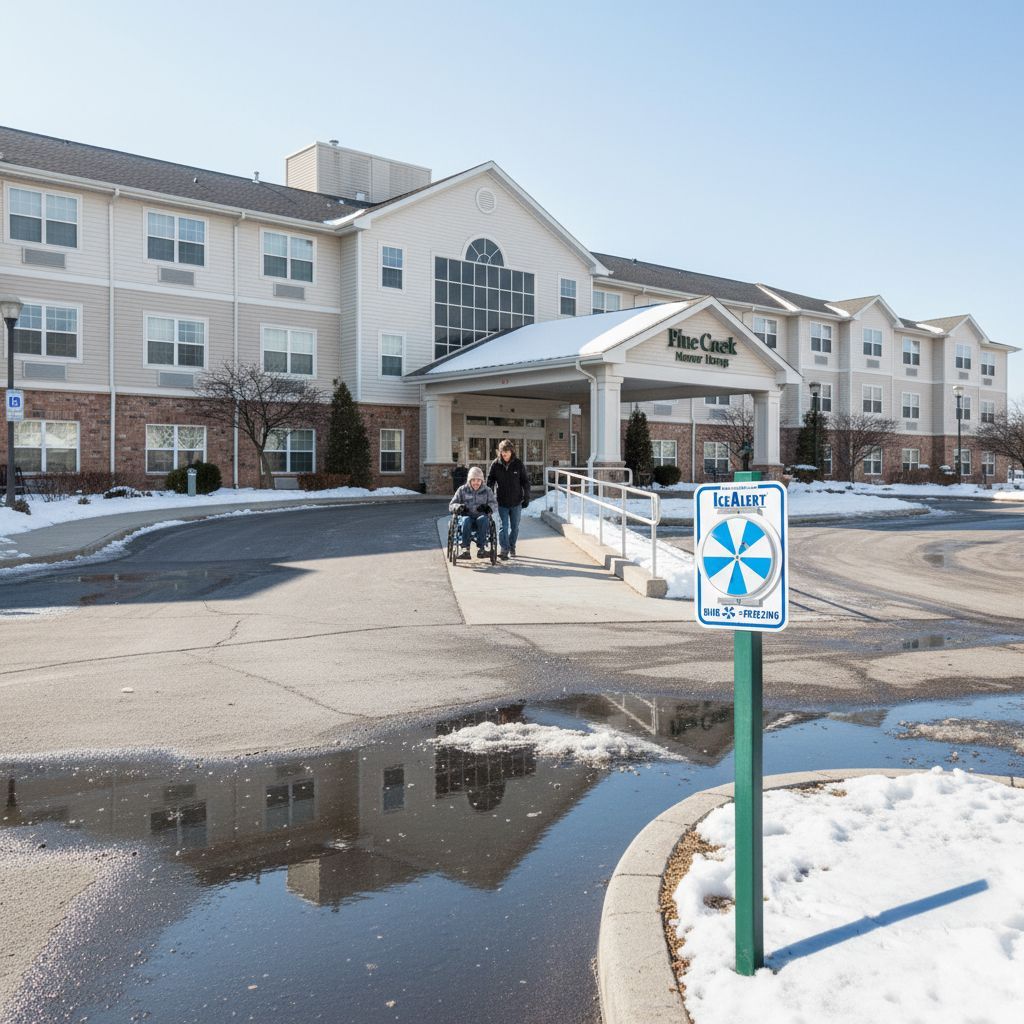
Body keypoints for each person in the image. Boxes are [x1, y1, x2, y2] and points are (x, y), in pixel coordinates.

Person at [487, 439, 531, 560]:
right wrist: (489, 496)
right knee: (503, 527)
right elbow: (490, 480)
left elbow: (525, 482)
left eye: (506, 451)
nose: (504, 453)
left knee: (515, 527)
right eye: (502, 451)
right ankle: (504, 549)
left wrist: (526, 497)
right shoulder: (495, 464)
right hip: (502, 502)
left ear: (511, 451)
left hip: (516, 502)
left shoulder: (518, 464)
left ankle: (512, 546)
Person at [448, 466, 497, 559]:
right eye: (473, 480)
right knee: (466, 520)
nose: (476, 482)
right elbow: (452, 505)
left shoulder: (487, 490)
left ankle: (481, 549)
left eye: (478, 480)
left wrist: (488, 508)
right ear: (469, 480)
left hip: (480, 517)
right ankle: (466, 550)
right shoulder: (462, 490)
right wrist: (459, 507)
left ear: (482, 481)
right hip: (467, 516)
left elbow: (494, 504)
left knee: (483, 520)